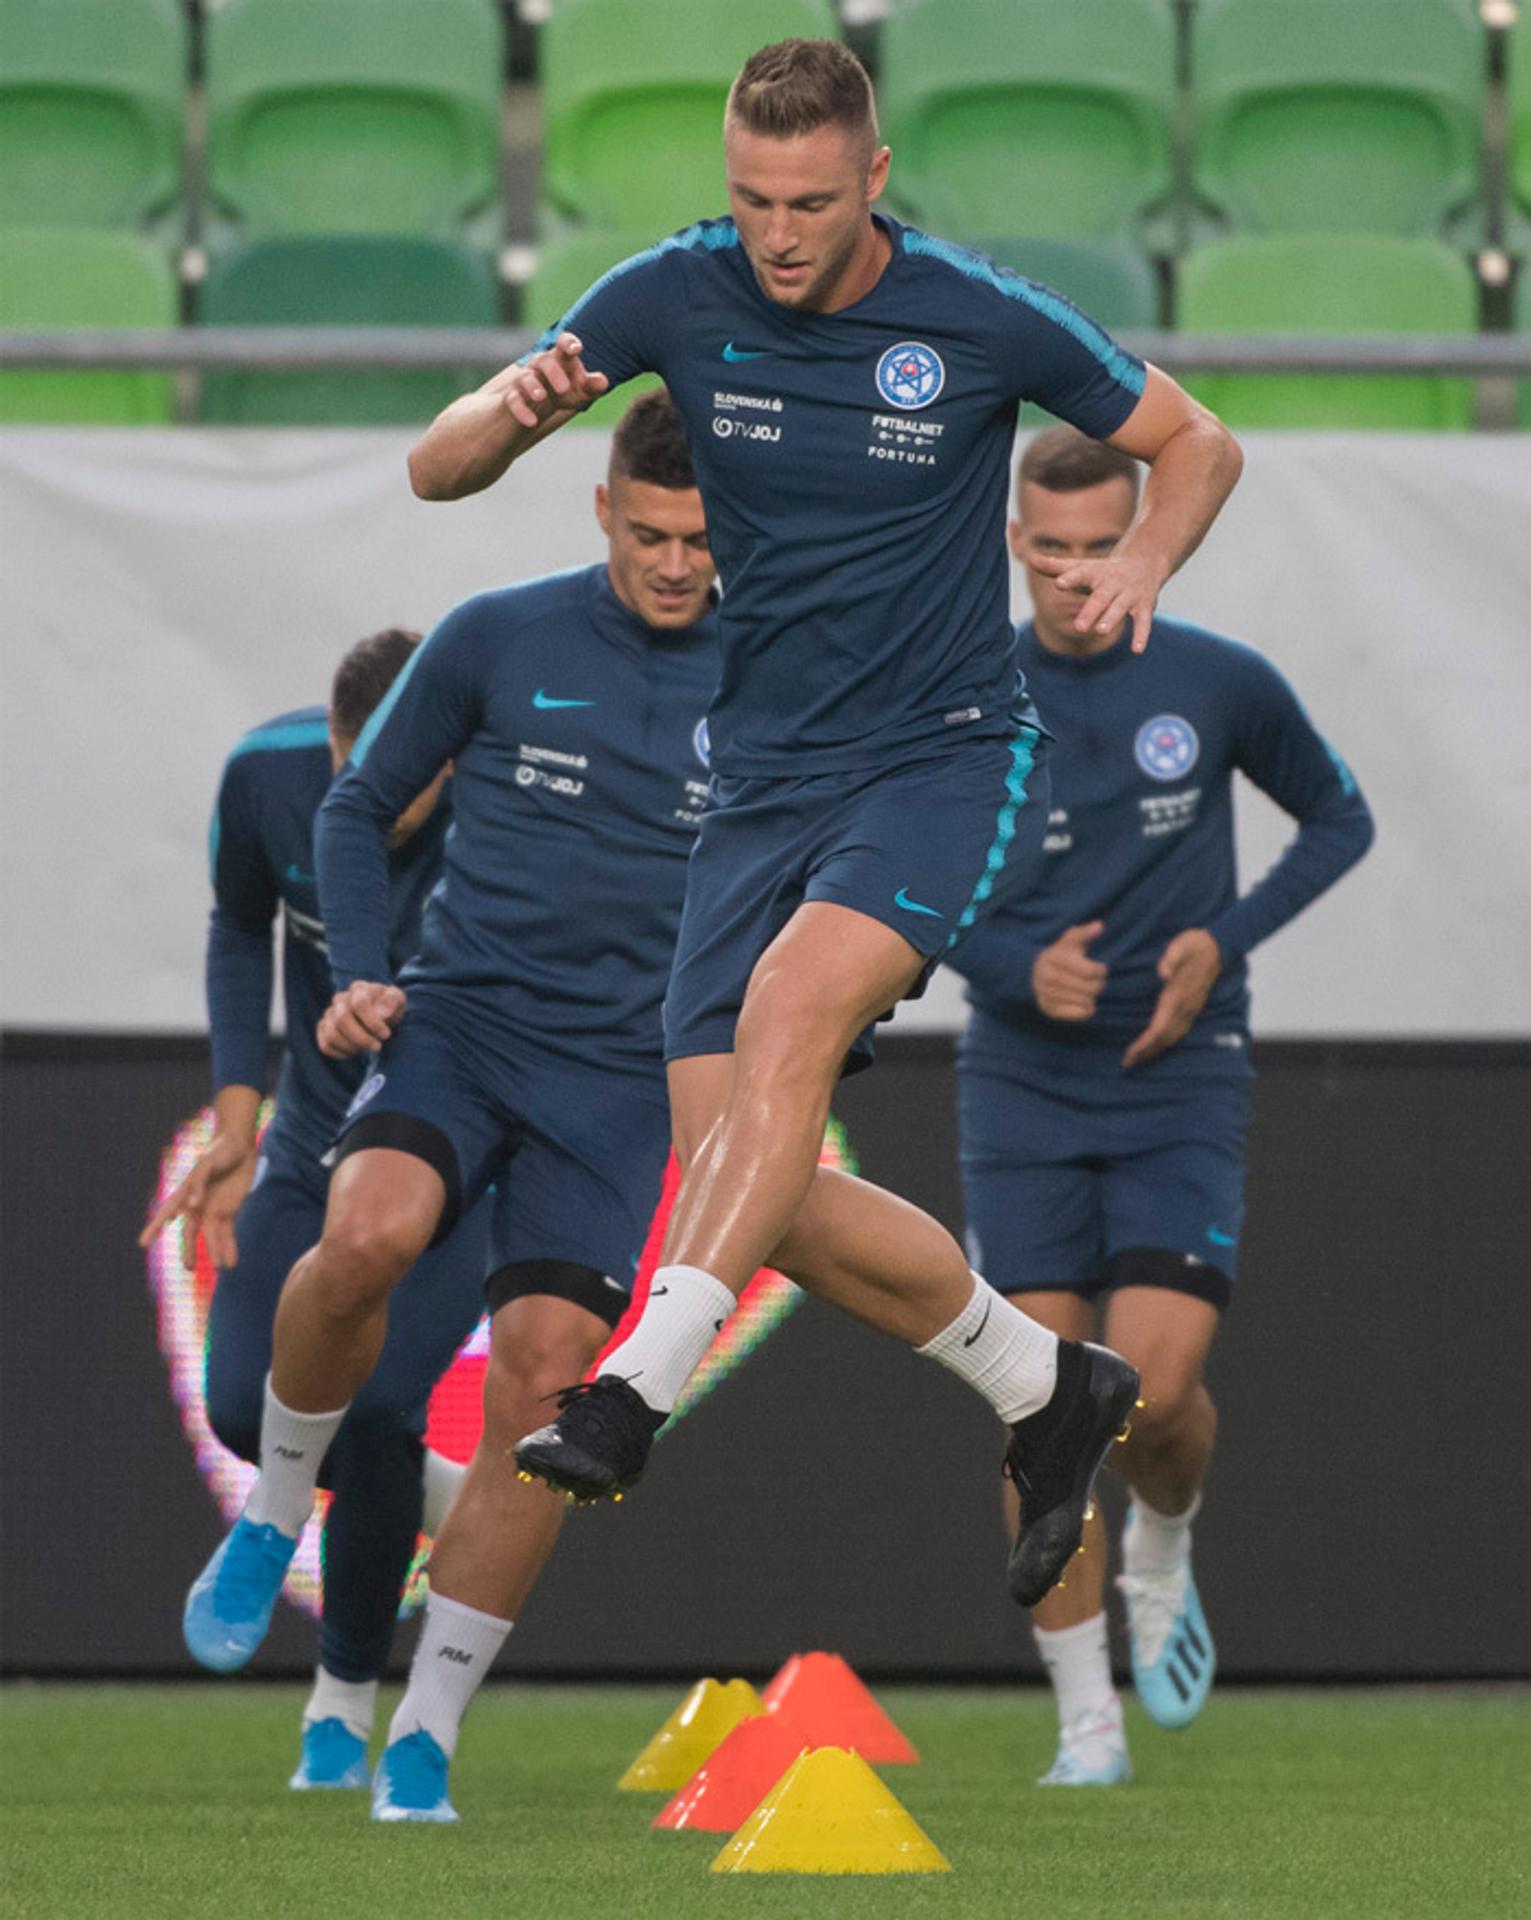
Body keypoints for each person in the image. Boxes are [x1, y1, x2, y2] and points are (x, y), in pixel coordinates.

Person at [408, 38, 1243, 1608]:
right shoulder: (669, 291)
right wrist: (502, 414)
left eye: (805, 201)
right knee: (756, 1176)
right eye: (747, 200)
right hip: (762, 781)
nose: (775, 235)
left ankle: (633, 1380)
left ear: (871, 179)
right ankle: (1040, 1385)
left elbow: (1197, 443)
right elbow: (432, 469)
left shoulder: (977, 313)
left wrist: (1142, 568)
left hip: (940, 759)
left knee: (789, 1015)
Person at [180, 391, 723, 1822]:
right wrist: (359, 975)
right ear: (600, 511)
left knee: (544, 1396)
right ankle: (275, 1510)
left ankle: (420, 1732)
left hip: (616, 1083)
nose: (675, 564)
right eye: (650, 533)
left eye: (701, 539)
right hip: (460, 1025)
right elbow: (355, 812)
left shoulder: (782, 675)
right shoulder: (499, 634)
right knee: (361, 1237)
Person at [947, 427, 1375, 1786]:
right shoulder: (957, 693)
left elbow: (1336, 818)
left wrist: (1220, 942)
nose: (1075, 581)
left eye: (1100, 550)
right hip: (1015, 1085)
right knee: (1039, 1409)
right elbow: (875, 875)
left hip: (1175, 1079)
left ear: (1150, 539)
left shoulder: (1216, 681)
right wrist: (1007, 964)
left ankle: (1165, 1540)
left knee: (1152, 1397)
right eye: (1049, 551)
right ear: (1012, 540)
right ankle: (1085, 1722)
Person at [142, 629, 490, 1789]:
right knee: (248, 1406)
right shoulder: (266, 774)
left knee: (379, 1401)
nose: (376, 805)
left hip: (458, 1157)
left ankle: (340, 1709)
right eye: (357, 775)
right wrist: (236, 1119)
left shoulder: (517, 801)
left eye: (403, 783)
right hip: (309, 1149)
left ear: (448, 755)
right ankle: (455, 1504)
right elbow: (239, 928)